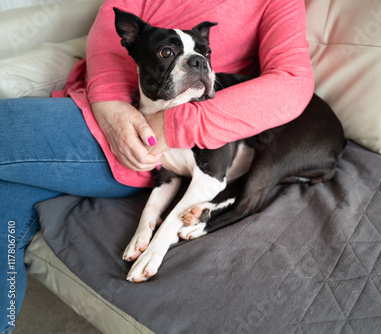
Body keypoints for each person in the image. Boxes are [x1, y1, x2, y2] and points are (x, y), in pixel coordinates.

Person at [0, 0, 314, 331]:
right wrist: (110, 105)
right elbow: (111, 26)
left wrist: (179, 125)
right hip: (109, 106)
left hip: (186, 131)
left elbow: (292, 82)